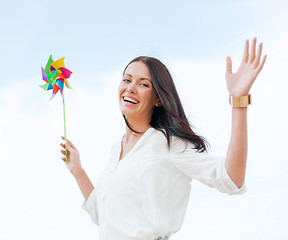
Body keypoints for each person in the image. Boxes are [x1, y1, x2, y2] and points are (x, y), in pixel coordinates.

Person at [60, 38, 267, 240]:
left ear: (158, 98)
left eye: (143, 84)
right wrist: (77, 170)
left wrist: (239, 101)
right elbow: (103, 215)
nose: (130, 87)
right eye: (127, 79)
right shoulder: (117, 149)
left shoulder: (168, 144)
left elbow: (232, 178)